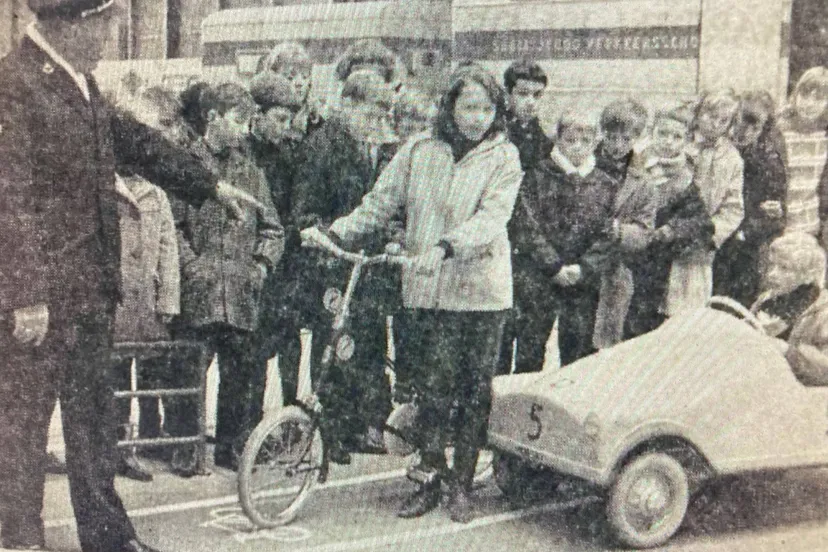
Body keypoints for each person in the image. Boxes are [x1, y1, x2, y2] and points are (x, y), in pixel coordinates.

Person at [0, 0, 261, 550]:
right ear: (74, 22)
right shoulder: (15, 82)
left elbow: (139, 143)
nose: (111, 38)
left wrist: (209, 185)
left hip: (92, 288)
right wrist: (26, 294)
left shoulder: (83, 83)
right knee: (22, 425)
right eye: (108, 26)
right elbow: (10, 199)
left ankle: (108, 538)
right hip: (43, 298)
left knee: (94, 424)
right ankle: (18, 535)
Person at [307, 64, 523, 523]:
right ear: (450, 107)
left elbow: (491, 220)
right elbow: (380, 202)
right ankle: (432, 476)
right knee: (431, 389)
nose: (477, 117)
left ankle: (462, 484)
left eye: (486, 108)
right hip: (426, 290)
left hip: (480, 293)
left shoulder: (504, 158)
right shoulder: (420, 149)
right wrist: (337, 232)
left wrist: (446, 247)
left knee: (472, 389)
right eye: (468, 106)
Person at [291, 70, 399, 464]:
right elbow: (304, 210)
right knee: (333, 346)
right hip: (332, 266)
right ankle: (327, 432)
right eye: (371, 114)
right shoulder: (323, 145)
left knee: (360, 347)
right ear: (348, 104)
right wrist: (326, 239)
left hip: (363, 268)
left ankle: (351, 425)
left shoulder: (365, 146)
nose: (377, 125)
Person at [176, 83, 285, 470]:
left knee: (239, 375)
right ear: (213, 118)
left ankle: (232, 447)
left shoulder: (250, 173)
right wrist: (192, 266)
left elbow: (274, 230)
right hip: (200, 292)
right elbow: (172, 228)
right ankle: (187, 449)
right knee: (191, 374)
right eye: (237, 120)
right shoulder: (184, 165)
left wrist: (259, 267)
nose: (242, 130)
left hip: (240, 292)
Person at [510, 109, 616, 370]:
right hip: (539, 277)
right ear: (558, 139)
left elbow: (607, 234)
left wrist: (584, 268)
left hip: (582, 282)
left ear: (596, 142)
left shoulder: (604, 183)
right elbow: (526, 224)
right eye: (570, 140)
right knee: (530, 347)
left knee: (578, 350)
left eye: (586, 141)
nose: (577, 147)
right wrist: (553, 265)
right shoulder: (538, 176)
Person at [624, 107, 714, 338]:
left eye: (677, 137)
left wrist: (672, 229)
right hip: (628, 251)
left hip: (660, 259)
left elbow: (700, 220)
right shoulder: (634, 163)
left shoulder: (685, 177)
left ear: (686, 141)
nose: (668, 142)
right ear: (652, 132)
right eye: (662, 134)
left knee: (649, 317)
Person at [714, 91, 787, 306]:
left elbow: (774, 214)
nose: (743, 132)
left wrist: (744, 233)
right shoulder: (721, 151)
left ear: (764, 129)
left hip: (745, 245)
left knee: (738, 300)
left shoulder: (769, 161)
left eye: (754, 127)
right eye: (738, 123)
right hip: (718, 236)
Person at [675, 90, 743, 313]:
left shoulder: (731, 159)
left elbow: (733, 208)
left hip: (699, 247)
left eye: (724, 120)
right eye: (711, 116)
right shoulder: (677, 143)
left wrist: (709, 236)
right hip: (666, 239)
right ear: (698, 113)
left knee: (690, 308)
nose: (716, 124)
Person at [779, 67, 828, 237]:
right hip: (780, 227)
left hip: (810, 228)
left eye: (819, 98)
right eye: (805, 95)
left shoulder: (824, 136)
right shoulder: (780, 133)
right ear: (795, 94)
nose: (809, 103)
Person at [256, 41, 324, 136]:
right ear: (271, 80)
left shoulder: (316, 121)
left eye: (305, 76)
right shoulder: (260, 120)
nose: (299, 83)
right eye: (290, 77)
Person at [503, 59, 552, 169]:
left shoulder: (539, 134)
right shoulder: (499, 130)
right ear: (507, 94)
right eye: (523, 94)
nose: (531, 102)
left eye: (537, 95)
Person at [595, 98, 649, 183]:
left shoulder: (640, 164)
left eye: (626, 139)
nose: (618, 145)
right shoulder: (590, 162)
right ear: (603, 132)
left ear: (638, 137)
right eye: (612, 138)